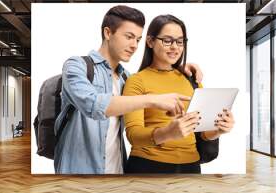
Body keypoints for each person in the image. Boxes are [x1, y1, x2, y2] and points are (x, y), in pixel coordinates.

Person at [54, 6, 204, 174]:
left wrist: (179, 68)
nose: (134, 46)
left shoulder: (126, 78)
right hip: (79, 170)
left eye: (138, 40)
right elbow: (93, 105)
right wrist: (154, 99)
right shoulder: (76, 66)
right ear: (108, 33)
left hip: (118, 169)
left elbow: (154, 79)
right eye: (129, 37)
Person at [123, 14, 235, 174]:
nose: (175, 47)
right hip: (148, 166)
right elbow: (133, 135)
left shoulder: (192, 80)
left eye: (180, 41)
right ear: (150, 41)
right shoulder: (137, 81)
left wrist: (218, 130)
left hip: (191, 166)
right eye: (167, 40)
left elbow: (202, 133)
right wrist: (167, 133)